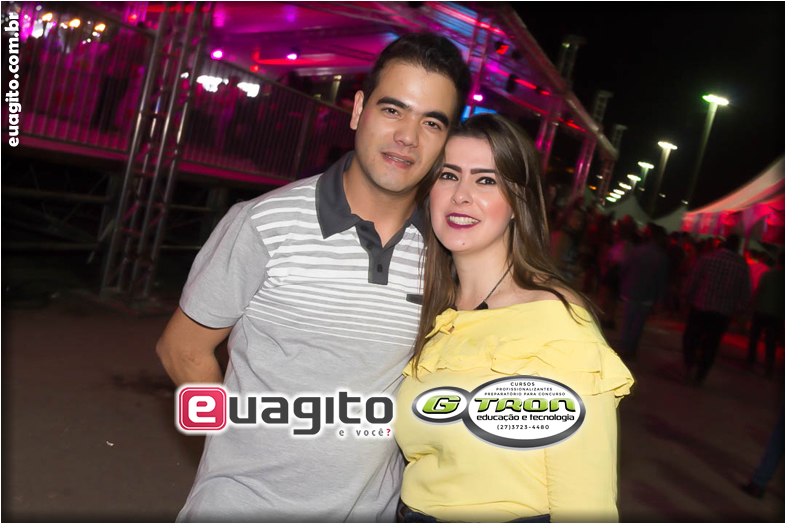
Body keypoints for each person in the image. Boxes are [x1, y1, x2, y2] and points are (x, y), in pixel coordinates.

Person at [156, 32, 470, 522]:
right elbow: (183, 349)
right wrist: (237, 445)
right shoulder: (263, 223)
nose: (408, 137)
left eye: (431, 122)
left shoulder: (445, 254)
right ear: (358, 110)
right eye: (393, 110)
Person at [394, 114, 634, 523]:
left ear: (517, 204)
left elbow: (586, 501)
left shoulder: (555, 323)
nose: (461, 195)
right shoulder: (437, 310)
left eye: (486, 180)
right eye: (449, 175)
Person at [682, 234, 752, 386]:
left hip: (701, 305)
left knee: (691, 337)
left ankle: (690, 364)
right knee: (712, 344)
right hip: (723, 312)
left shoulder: (708, 258)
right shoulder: (742, 265)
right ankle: (701, 373)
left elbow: (694, 279)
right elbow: (745, 292)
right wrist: (740, 310)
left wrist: (686, 297)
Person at [618, 224, 671, 360]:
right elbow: (661, 280)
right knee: (638, 324)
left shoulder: (637, 251)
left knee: (628, 321)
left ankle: (623, 347)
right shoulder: (661, 256)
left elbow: (624, 267)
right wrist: (660, 300)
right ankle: (631, 349)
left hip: (631, 290)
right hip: (648, 294)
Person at [746, 251, 784, 378]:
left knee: (754, 337)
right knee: (771, 342)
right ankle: (769, 367)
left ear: (778, 261)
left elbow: (759, 290)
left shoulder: (768, 274)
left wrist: (752, 305)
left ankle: (750, 361)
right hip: (777, 314)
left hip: (761, 309)